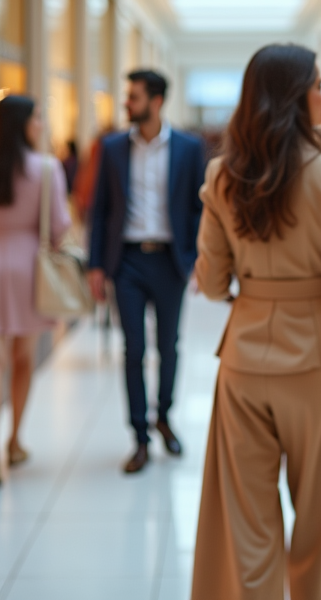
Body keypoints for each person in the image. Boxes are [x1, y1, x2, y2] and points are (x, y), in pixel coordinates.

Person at [190, 44, 321, 600]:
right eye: (318, 83)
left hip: (244, 357)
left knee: (248, 521)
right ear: (296, 96)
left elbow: (213, 284)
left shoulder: (222, 177)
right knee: (317, 518)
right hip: (319, 356)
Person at [87, 69, 206, 473]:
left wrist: (195, 258)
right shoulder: (114, 147)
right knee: (132, 350)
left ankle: (164, 417)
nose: (127, 103)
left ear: (156, 101)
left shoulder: (189, 148)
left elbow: (197, 207)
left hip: (170, 260)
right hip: (129, 261)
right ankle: (139, 436)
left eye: (134, 97)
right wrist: (96, 266)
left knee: (168, 346)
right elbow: (99, 209)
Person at [0, 96, 71, 487]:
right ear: (23, 123)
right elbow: (58, 228)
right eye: (37, 118)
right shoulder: (48, 168)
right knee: (23, 360)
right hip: (28, 269)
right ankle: (14, 441)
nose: (41, 124)